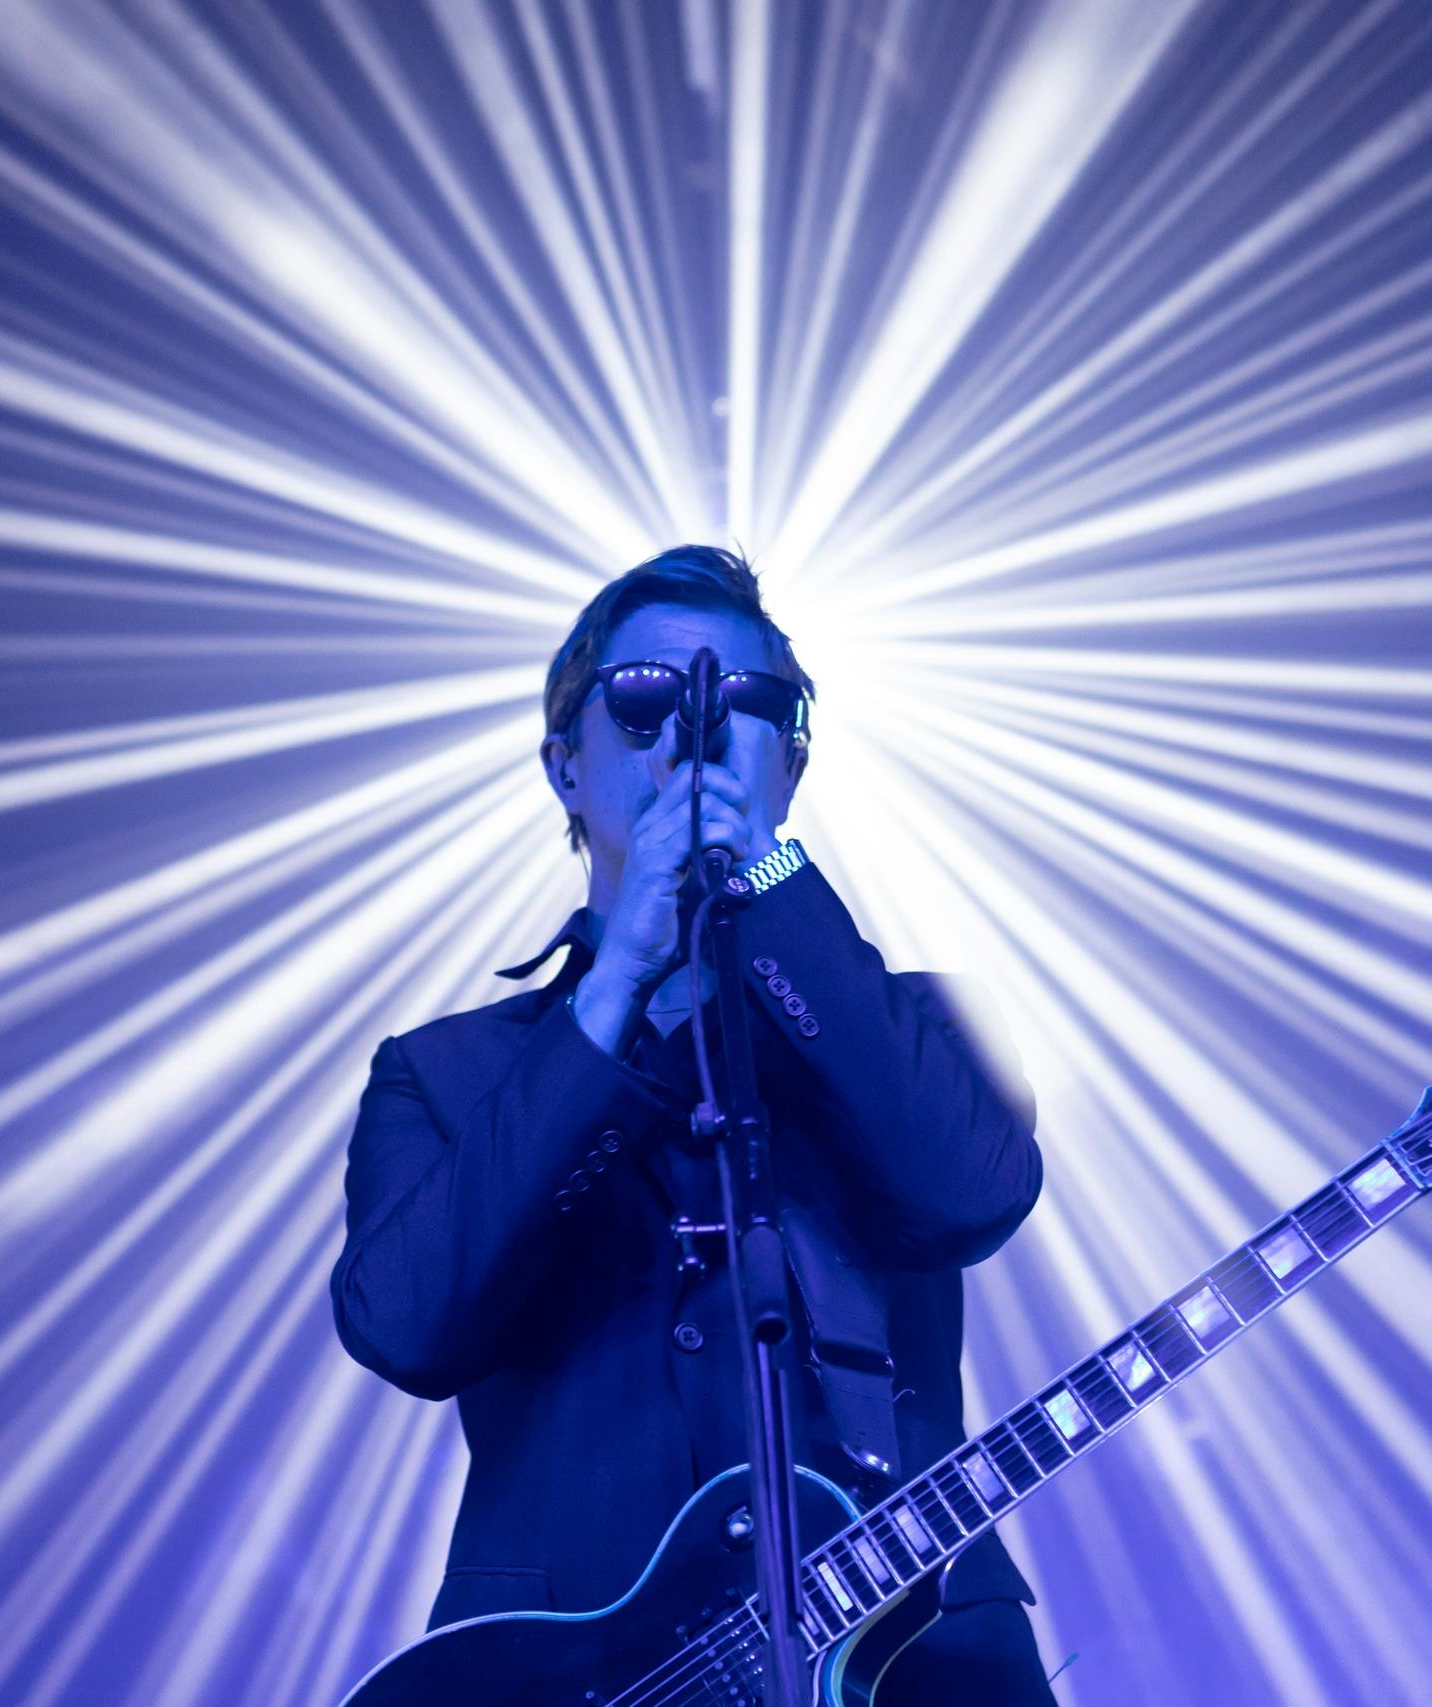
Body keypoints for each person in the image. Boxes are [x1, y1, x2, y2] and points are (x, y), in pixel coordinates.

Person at [330, 545, 1055, 1702]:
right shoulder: (443, 1074)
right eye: (642, 698)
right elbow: (407, 1327)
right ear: (566, 767)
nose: (692, 731)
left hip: (913, 1662)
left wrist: (764, 877)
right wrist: (618, 978)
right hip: (567, 1676)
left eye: (743, 702)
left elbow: (971, 1194)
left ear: (793, 762)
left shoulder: (924, 1025)